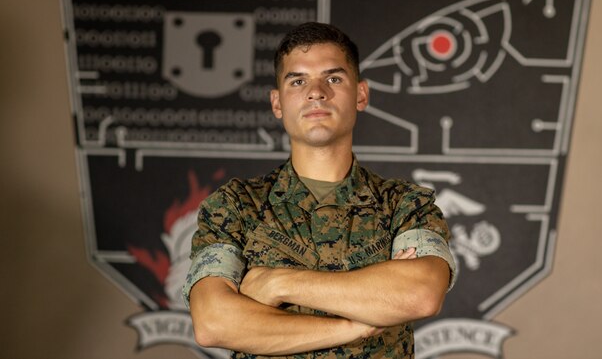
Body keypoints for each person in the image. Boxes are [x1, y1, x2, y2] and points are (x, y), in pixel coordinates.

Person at [183, 22, 456, 358]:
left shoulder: (404, 204)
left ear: (361, 94)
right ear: (277, 103)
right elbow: (214, 322)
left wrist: (278, 283)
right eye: (298, 81)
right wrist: (354, 326)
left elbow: (420, 295)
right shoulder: (236, 206)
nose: (316, 92)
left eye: (333, 78)